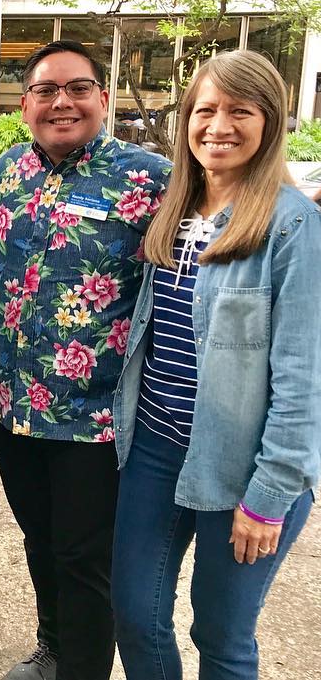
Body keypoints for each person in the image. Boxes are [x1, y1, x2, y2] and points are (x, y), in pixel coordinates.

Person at [111, 50, 321, 680]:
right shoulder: (173, 211)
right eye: (205, 110)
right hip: (155, 448)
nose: (219, 126)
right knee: (135, 615)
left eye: (241, 111)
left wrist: (270, 494)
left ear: (271, 122)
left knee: (222, 634)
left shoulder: (294, 226)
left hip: (244, 465)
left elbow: (304, 377)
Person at [0, 40, 169, 680]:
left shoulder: (152, 179)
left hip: (93, 421)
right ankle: (54, 650)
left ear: (103, 98)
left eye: (78, 88)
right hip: (11, 408)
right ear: (25, 104)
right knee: (40, 543)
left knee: (84, 561)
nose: (61, 101)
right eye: (45, 90)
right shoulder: (9, 171)